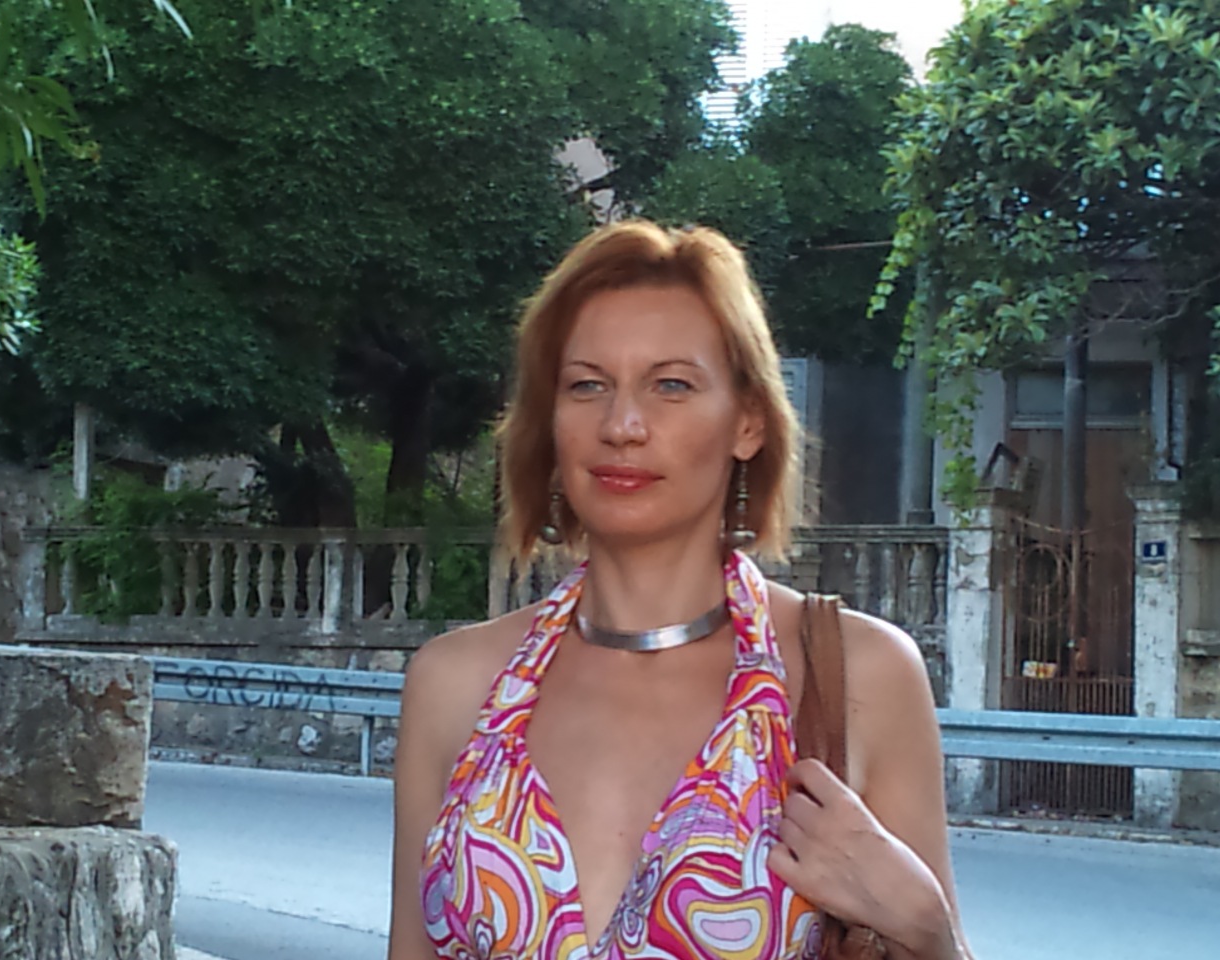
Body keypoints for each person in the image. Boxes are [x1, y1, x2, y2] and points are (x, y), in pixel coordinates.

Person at [388, 221, 974, 960]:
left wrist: (929, 932)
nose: (622, 425)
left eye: (671, 385)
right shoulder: (455, 686)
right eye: (587, 385)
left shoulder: (861, 675)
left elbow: (928, 938)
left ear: (748, 422)